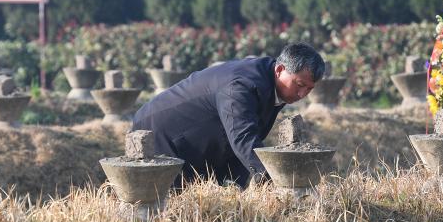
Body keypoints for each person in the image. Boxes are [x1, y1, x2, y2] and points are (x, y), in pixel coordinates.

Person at [131, 42, 326, 188]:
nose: (302, 94)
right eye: (299, 85)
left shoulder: (274, 85)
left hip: (200, 137)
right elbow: (243, 138)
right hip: (161, 132)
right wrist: (278, 181)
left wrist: (234, 187)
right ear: (280, 69)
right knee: (170, 206)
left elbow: (245, 139)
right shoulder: (241, 86)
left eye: (309, 89)